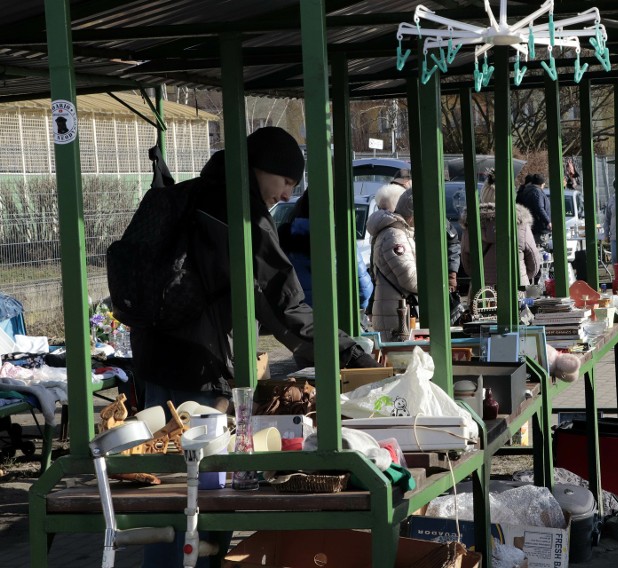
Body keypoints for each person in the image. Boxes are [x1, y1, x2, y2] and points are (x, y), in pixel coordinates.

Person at [129, 126, 377, 567]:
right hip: (196, 365)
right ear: (267, 169)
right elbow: (285, 306)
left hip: (153, 356)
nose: (285, 194)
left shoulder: (193, 193)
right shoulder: (240, 210)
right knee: (203, 491)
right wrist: (346, 351)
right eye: (286, 183)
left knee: (165, 483)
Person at [278, 190, 374, 310]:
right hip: (335, 319)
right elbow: (363, 289)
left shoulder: (282, 239)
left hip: (295, 320)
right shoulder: (341, 240)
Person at [460, 175, 541, 290]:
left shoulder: (471, 224)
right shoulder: (520, 223)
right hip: (515, 285)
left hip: (483, 289)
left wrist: (480, 276)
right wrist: (523, 276)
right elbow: (533, 259)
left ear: (483, 195)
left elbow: (466, 261)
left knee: (485, 308)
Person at [367, 189, 417, 333]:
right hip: (396, 315)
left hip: (393, 310)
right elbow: (410, 278)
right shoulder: (395, 235)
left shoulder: (394, 233)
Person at [515, 172, 552, 245]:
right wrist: (547, 221)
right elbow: (539, 208)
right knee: (539, 248)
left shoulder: (526, 191)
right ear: (541, 184)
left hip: (533, 226)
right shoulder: (536, 192)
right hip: (538, 227)